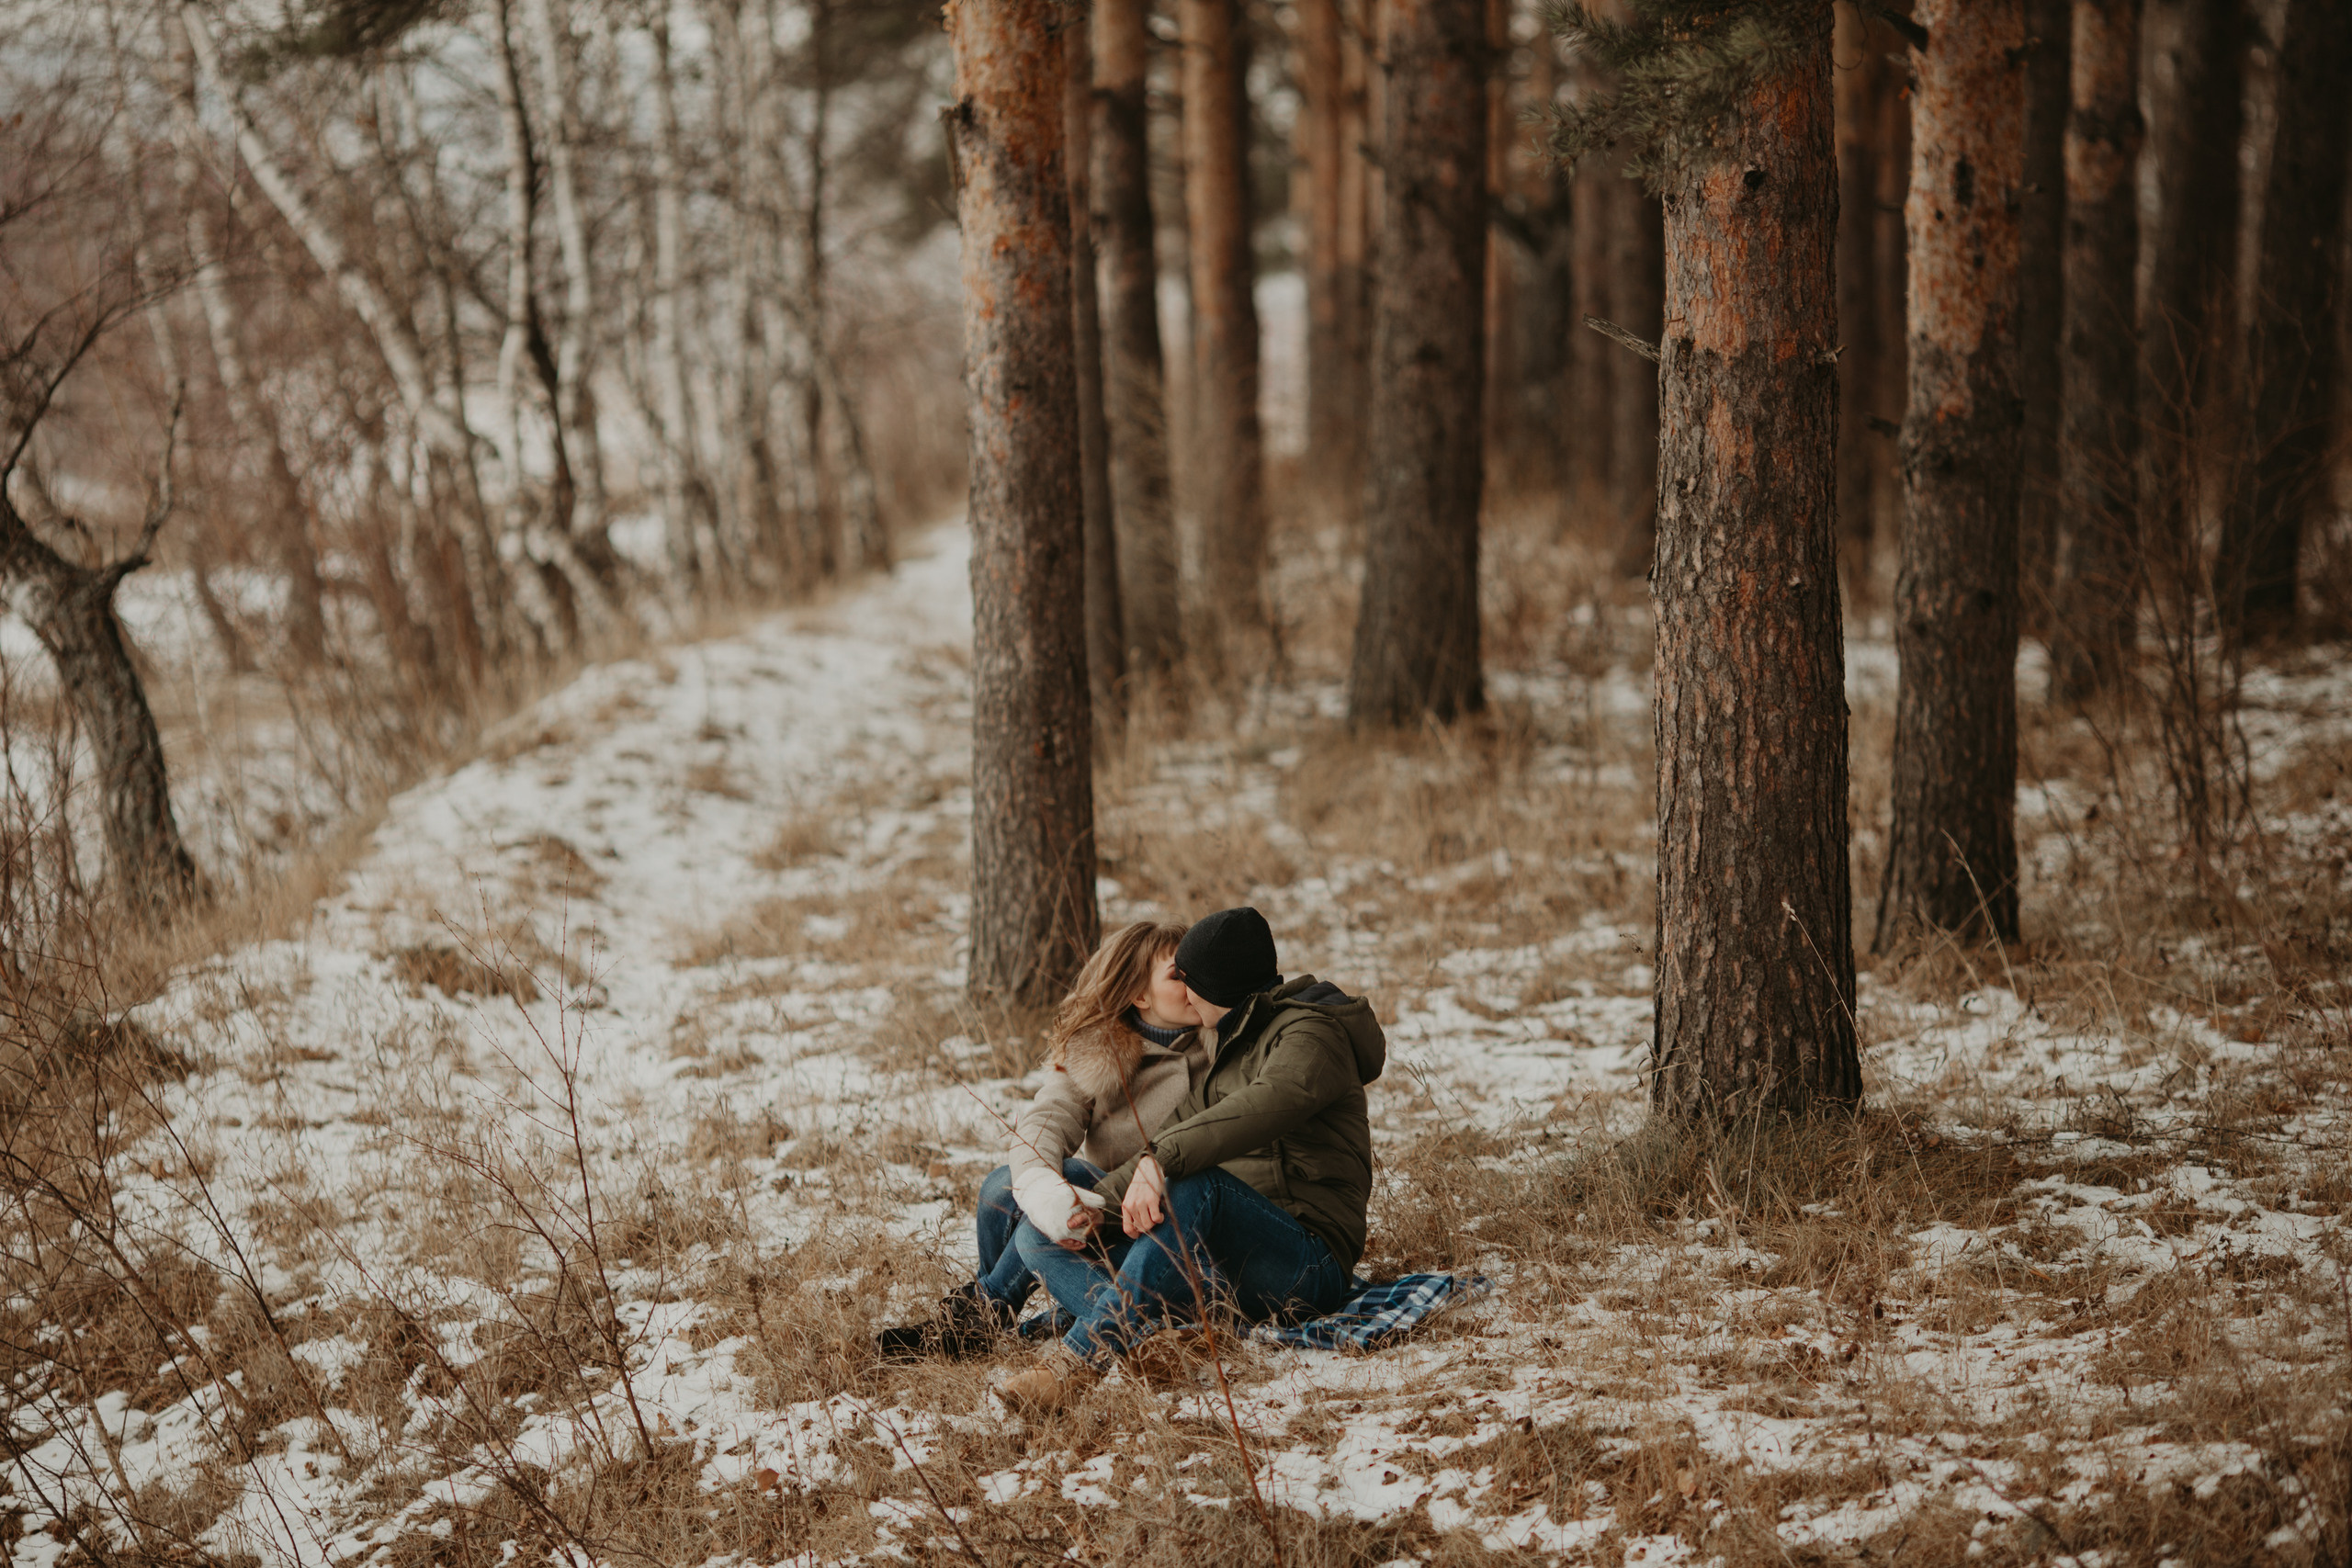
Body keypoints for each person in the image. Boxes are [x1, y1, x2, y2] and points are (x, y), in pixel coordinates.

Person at [999, 906, 1385, 1413]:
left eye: (1187, 977)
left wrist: (1160, 1162)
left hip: (1304, 1259)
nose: (1181, 990)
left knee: (1194, 1181)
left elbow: (1267, 1103)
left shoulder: (1310, 1035)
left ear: (1213, 986)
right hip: (1228, 1264)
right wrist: (1091, 1212)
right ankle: (1158, 1342)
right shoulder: (1226, 1055)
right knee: (1041, 1227)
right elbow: (1170, 1137)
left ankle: (1077, 1364)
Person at [876, 920, 1206, 1360]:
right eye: (1176, 975)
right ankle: (985, 1312)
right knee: (1001, 1188)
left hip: (1168, 1217)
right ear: (1140, 995)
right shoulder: (1100, 1047)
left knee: (1056, 1184)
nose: (1195, 983)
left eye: (1196, 969)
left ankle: (981, 1315)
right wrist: (1039, 1187)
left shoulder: (1216, 1045)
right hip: (1107, 1210)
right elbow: (1051, 1115)